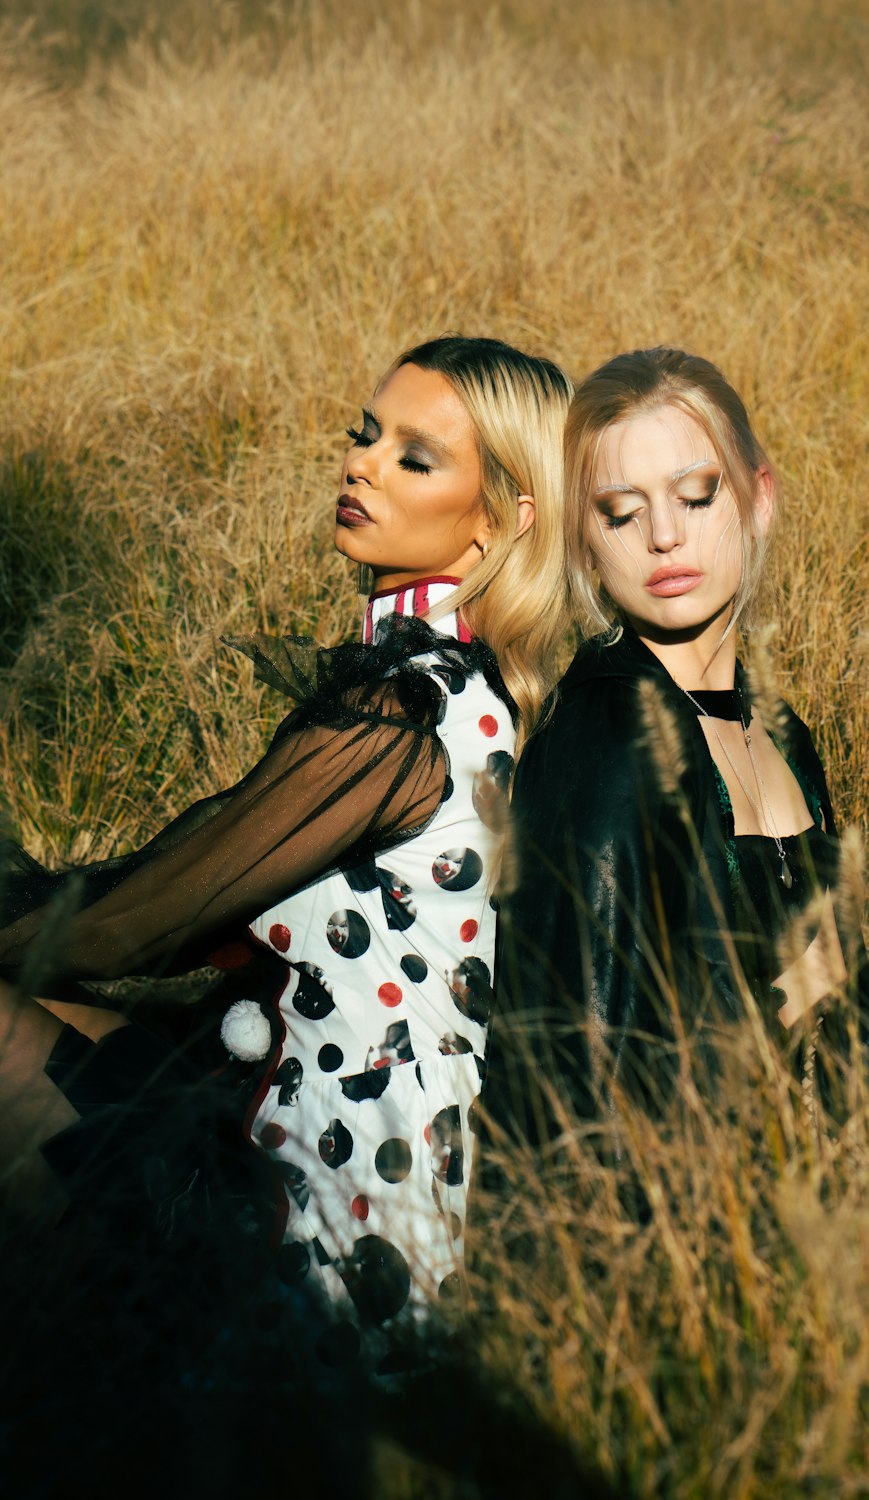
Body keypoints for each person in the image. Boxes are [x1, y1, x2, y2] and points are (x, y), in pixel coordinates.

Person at [0, 334, 573, 1358]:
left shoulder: (400, 713)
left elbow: (128, 928)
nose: (360, 464)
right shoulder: (457, 686)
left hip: (316, 1213)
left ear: (499, 520)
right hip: (356, 1161)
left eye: (414, 456)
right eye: (366, 435)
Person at [480, 346, 869, 1154]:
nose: (665, 535)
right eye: (620, 511)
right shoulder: (608, 739)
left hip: (814, 1165)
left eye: (696, 494)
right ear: (584, 545)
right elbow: (584, 1101)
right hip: (684, 1213)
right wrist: (797, 993)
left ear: (759, 501)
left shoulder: (777, 727)